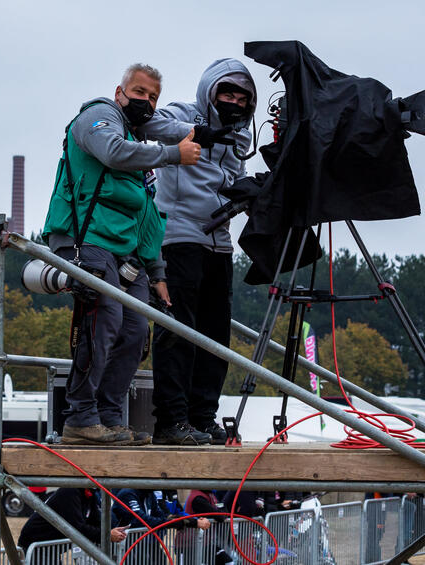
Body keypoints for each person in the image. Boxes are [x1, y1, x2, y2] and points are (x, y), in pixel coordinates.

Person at [41, 63, 210, 446]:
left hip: (126, 254)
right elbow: (113, 152)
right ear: (120, 93)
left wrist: (157, 270)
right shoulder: (98, 117)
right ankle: (81, 416)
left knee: (135, 330)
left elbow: (148, 214)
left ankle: (110, 417)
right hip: (88, 242)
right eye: (139, 92)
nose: (145, 101)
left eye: (153, 97)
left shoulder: (138, 147)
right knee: (104, 321)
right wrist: (172, 154)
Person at [151, 58, 257, 445]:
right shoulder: (184, 113)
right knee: (178, 330)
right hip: (179, 237)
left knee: (215, 335)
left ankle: (202, 417)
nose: (234, 102)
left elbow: (231, 178)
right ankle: (171, 421)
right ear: (210, 91)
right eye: (227, 93)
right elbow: (149, 125)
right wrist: (199, 132)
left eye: (242, 98)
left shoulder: (242, 134)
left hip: (220, 242)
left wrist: (249, 189)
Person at [112, 489, 210, 562]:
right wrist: (173, 522)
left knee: (161, 560)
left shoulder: (149, 494)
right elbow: (142, 520)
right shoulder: (128, 494)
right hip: (124, 546)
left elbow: (163, 516)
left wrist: (192, 521)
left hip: (145, 544)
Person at [17, 488, 126, 551]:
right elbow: (77, 529)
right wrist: (107, 535)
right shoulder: (70, 492)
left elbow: (95, 520)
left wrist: (112, 531)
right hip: (35, 545)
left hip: (49, 548)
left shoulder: (89, 493)